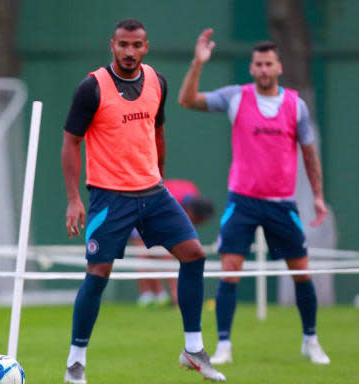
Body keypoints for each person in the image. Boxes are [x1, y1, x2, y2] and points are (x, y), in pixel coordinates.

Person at [61, 19, 225, 383]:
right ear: (112, 45)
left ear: (145, 47)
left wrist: (160, 177)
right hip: (108, 196)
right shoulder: (91, 88)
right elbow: (71, 142)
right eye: (123, 45)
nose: (130, 52)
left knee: (195, 254)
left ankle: (193, 350)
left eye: (136, 45)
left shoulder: (157, 82)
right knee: (98, 274)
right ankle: (75, 363)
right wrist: (74, 198)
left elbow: (158, 131)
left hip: (153, 192)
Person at [178, 29, 330, 365]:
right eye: (258, 64)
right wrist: (197, 63)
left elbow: (309, 154)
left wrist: (317, 196)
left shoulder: (295, 105)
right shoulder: (236, 97)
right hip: (242, 201)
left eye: (269, 64)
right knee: (229, 270)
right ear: (251, 68)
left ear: (278, 68)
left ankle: (310, 340)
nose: (263, 69)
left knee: (301, 271)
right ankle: (224, 346)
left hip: (281, 203)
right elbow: (187, 101)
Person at [135, 180, 214, 307]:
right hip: (140, 212)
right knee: (144, 254)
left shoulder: (190, 191)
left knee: (162, 255)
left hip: (154, 210)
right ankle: (148, 296)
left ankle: (162, 296)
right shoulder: (172, 202)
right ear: (190, 212)